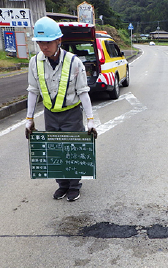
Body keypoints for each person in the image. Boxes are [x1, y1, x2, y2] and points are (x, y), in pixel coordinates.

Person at [25, 16, 97, 202]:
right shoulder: (35, 62)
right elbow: (33, 91)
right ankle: (62, 185)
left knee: (72, 150)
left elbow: (83, 93)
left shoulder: (74, 63)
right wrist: (29, 119)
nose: (43, 47)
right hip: (50, 114)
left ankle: (74, 186)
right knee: (55, 150)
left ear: (58, 41)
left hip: (71, 114)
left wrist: (90, 121)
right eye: (40, 42)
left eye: (47, 42)